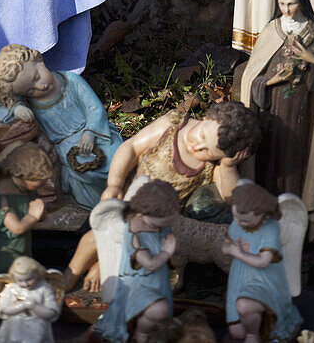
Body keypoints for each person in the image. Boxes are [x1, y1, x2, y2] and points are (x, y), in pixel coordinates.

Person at [64, 101, 261, 290]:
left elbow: (232, 199)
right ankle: (71, 274)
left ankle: (104, 264)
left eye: (207, 151)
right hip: (129, 200)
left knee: (139, 247)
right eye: (201, 135)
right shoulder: (172, 126)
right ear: (205, 118)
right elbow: (131, 148)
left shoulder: (214, 166)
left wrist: (228, 166)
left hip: (158, 222)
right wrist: (114, 184)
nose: (197, 146)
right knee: (97, 236)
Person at [239, 0, 314, 231]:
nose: (286, 9)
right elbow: (252, 75)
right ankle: (264, 214)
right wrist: (271, 80)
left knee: (295, 160)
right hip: (270, 113)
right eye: (282, 3)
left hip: (302, 114)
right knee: (268, 160)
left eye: (292, 4)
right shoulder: (270, 31)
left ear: (302, 3)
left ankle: (295, 221)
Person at [0, 43, 122, 208]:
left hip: (94, 133)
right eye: (30, 90)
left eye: (37, 77)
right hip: (66, 147)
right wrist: (16, 107)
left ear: (40, 61)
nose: (40, 86)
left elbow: (94, 108)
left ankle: (125, 188)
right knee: (86, 171)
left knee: (116, 158)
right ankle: (102, 202)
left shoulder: (71, 81)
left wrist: (90, 133)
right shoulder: (28, 103)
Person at [89, 179, 179, 343]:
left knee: (161, 318)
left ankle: (148, 334)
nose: (170, 223)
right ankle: (141, 334)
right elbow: (149, 264)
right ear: (147, 214)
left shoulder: (159, 225)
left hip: (157, 280)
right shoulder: (135, 233)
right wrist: (166, 252)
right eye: (166, 220)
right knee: (159, 310)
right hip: (138, 285)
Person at [222, 182, 302, 343]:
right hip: (240, 277)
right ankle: (245, 324)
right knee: (237, 329)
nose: (237, 223)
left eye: (244, 220)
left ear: (260, 214)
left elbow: (262, 262)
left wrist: (238, 252)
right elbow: (225, 246)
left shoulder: (270, 228)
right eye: (235, 217)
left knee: (244, 307)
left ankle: (254, 335)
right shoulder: (237, 223)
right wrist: (231, 248)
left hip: (264, 281)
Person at [0, 142, 54, 294]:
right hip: (3, 253)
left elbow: (36, 215)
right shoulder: (3, 193)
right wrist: (33, 215)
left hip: (20, 248)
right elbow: (17, 227)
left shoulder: (25, 188)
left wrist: (40, 212)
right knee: (8, 286)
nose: (41, 188)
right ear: (22, 175)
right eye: (38, 184)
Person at [0, 255, 61, 343]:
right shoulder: (11, 289)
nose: (25, 284)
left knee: (35, 338)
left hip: (37, 322)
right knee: (14, 338)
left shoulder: (44, 288)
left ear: (38, 274)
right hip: (15, 321)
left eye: (29, 279)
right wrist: (21, 305)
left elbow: (51, 313)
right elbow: (4, 309)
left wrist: (34, 306)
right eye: (20, 280)